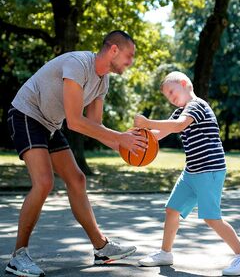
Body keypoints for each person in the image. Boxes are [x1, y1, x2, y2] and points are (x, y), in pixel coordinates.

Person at [6, 30, 147, 277]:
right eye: (129, 55)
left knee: (77, 179)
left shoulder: (103, 80)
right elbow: (74, 121)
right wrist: (119, 137)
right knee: (44, 183)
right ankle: (18, 256)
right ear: (113, 49)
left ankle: (102, 248)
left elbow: (95, 125)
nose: (131, 62)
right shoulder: (78, 64)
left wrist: (122, 147)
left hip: (48, 124)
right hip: (26, 114)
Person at [134, 71, 240, 276]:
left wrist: (148, 122)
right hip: (192, 171)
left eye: (172, 92)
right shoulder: (180, 111)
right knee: (172, 210)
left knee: (211, 218)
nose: (171, 98)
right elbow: (160, 134)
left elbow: (179, 125)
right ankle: (165, 253)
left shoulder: (197, 105)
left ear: (184, 84)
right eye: (168, 96)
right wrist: (134, 139)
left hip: (210, 170)